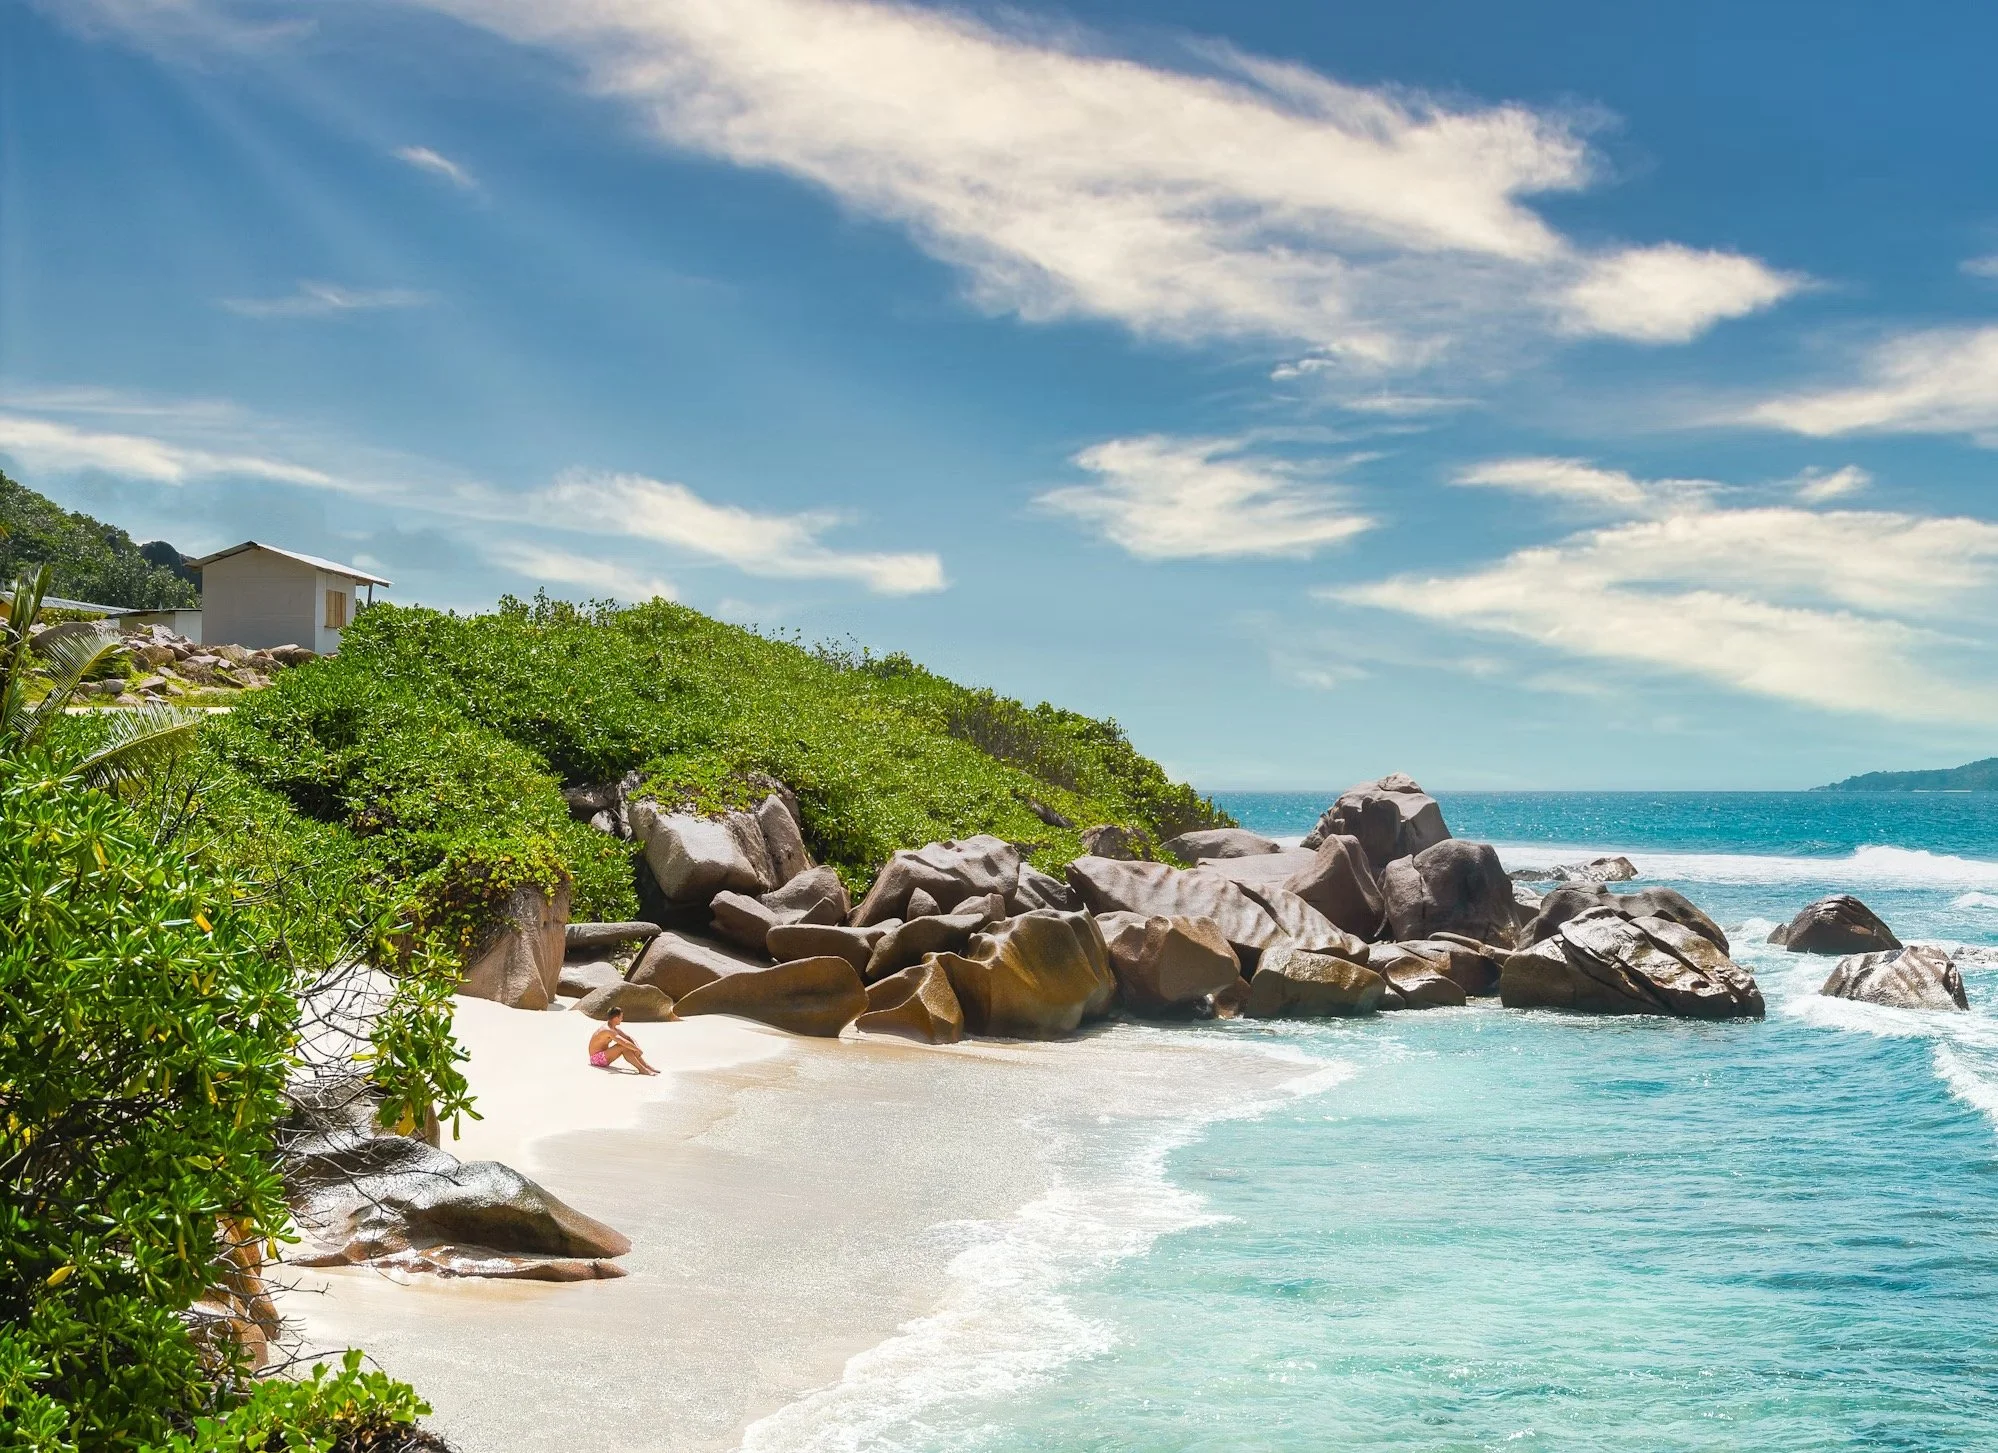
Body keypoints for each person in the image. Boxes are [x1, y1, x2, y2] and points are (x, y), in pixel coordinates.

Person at [587, 1007, 659, 1075]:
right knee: (623, 1046)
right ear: (615, 1018)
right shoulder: (607, 1030)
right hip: (596, 1060)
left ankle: (646, 1066)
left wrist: (637, 1048)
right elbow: (624, 1043)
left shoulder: (613, 1028)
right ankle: (642, 1069)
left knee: (627, 1046)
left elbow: (628, 1038)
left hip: (603, 1057)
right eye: (621, 1017)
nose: (622, 1019)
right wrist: (636, 1049)